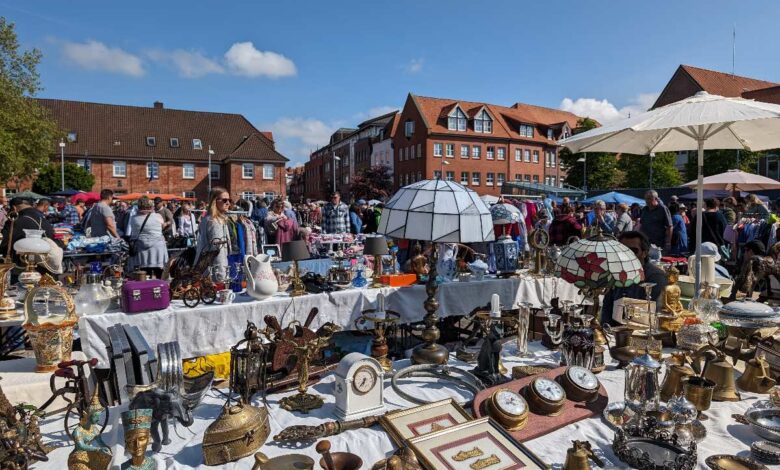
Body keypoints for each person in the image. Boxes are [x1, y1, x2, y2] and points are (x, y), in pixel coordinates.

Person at [601, 231, 667, 326]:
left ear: (644, 253)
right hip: (615, 332)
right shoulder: (616, 274)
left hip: (642, 332)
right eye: (623, 250)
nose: (627, 254)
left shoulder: (655, 277)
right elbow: (607, 308)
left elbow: (652, 313)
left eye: (633, 250)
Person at [0, 196, 63, 272]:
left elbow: (4, 242)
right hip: (46, 266)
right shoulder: (43, 218)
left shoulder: (15, 221)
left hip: (21, 268)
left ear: (14, 208)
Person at [127, 197, 168, 278]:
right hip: (157, 248)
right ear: (151, 206)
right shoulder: (158, 216)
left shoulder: (133, 218)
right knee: (159, 273)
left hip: (140, 248)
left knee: (143, 274)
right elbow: (162, 226)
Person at [194, 188, 231, 275]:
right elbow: (219, 252)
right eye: (224, 200)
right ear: (215, 201)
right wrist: (222, 275)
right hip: (214, 272)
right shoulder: (215, 222)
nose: (228, 203)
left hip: (205, 269)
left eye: (229, 200)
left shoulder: (207, 219)